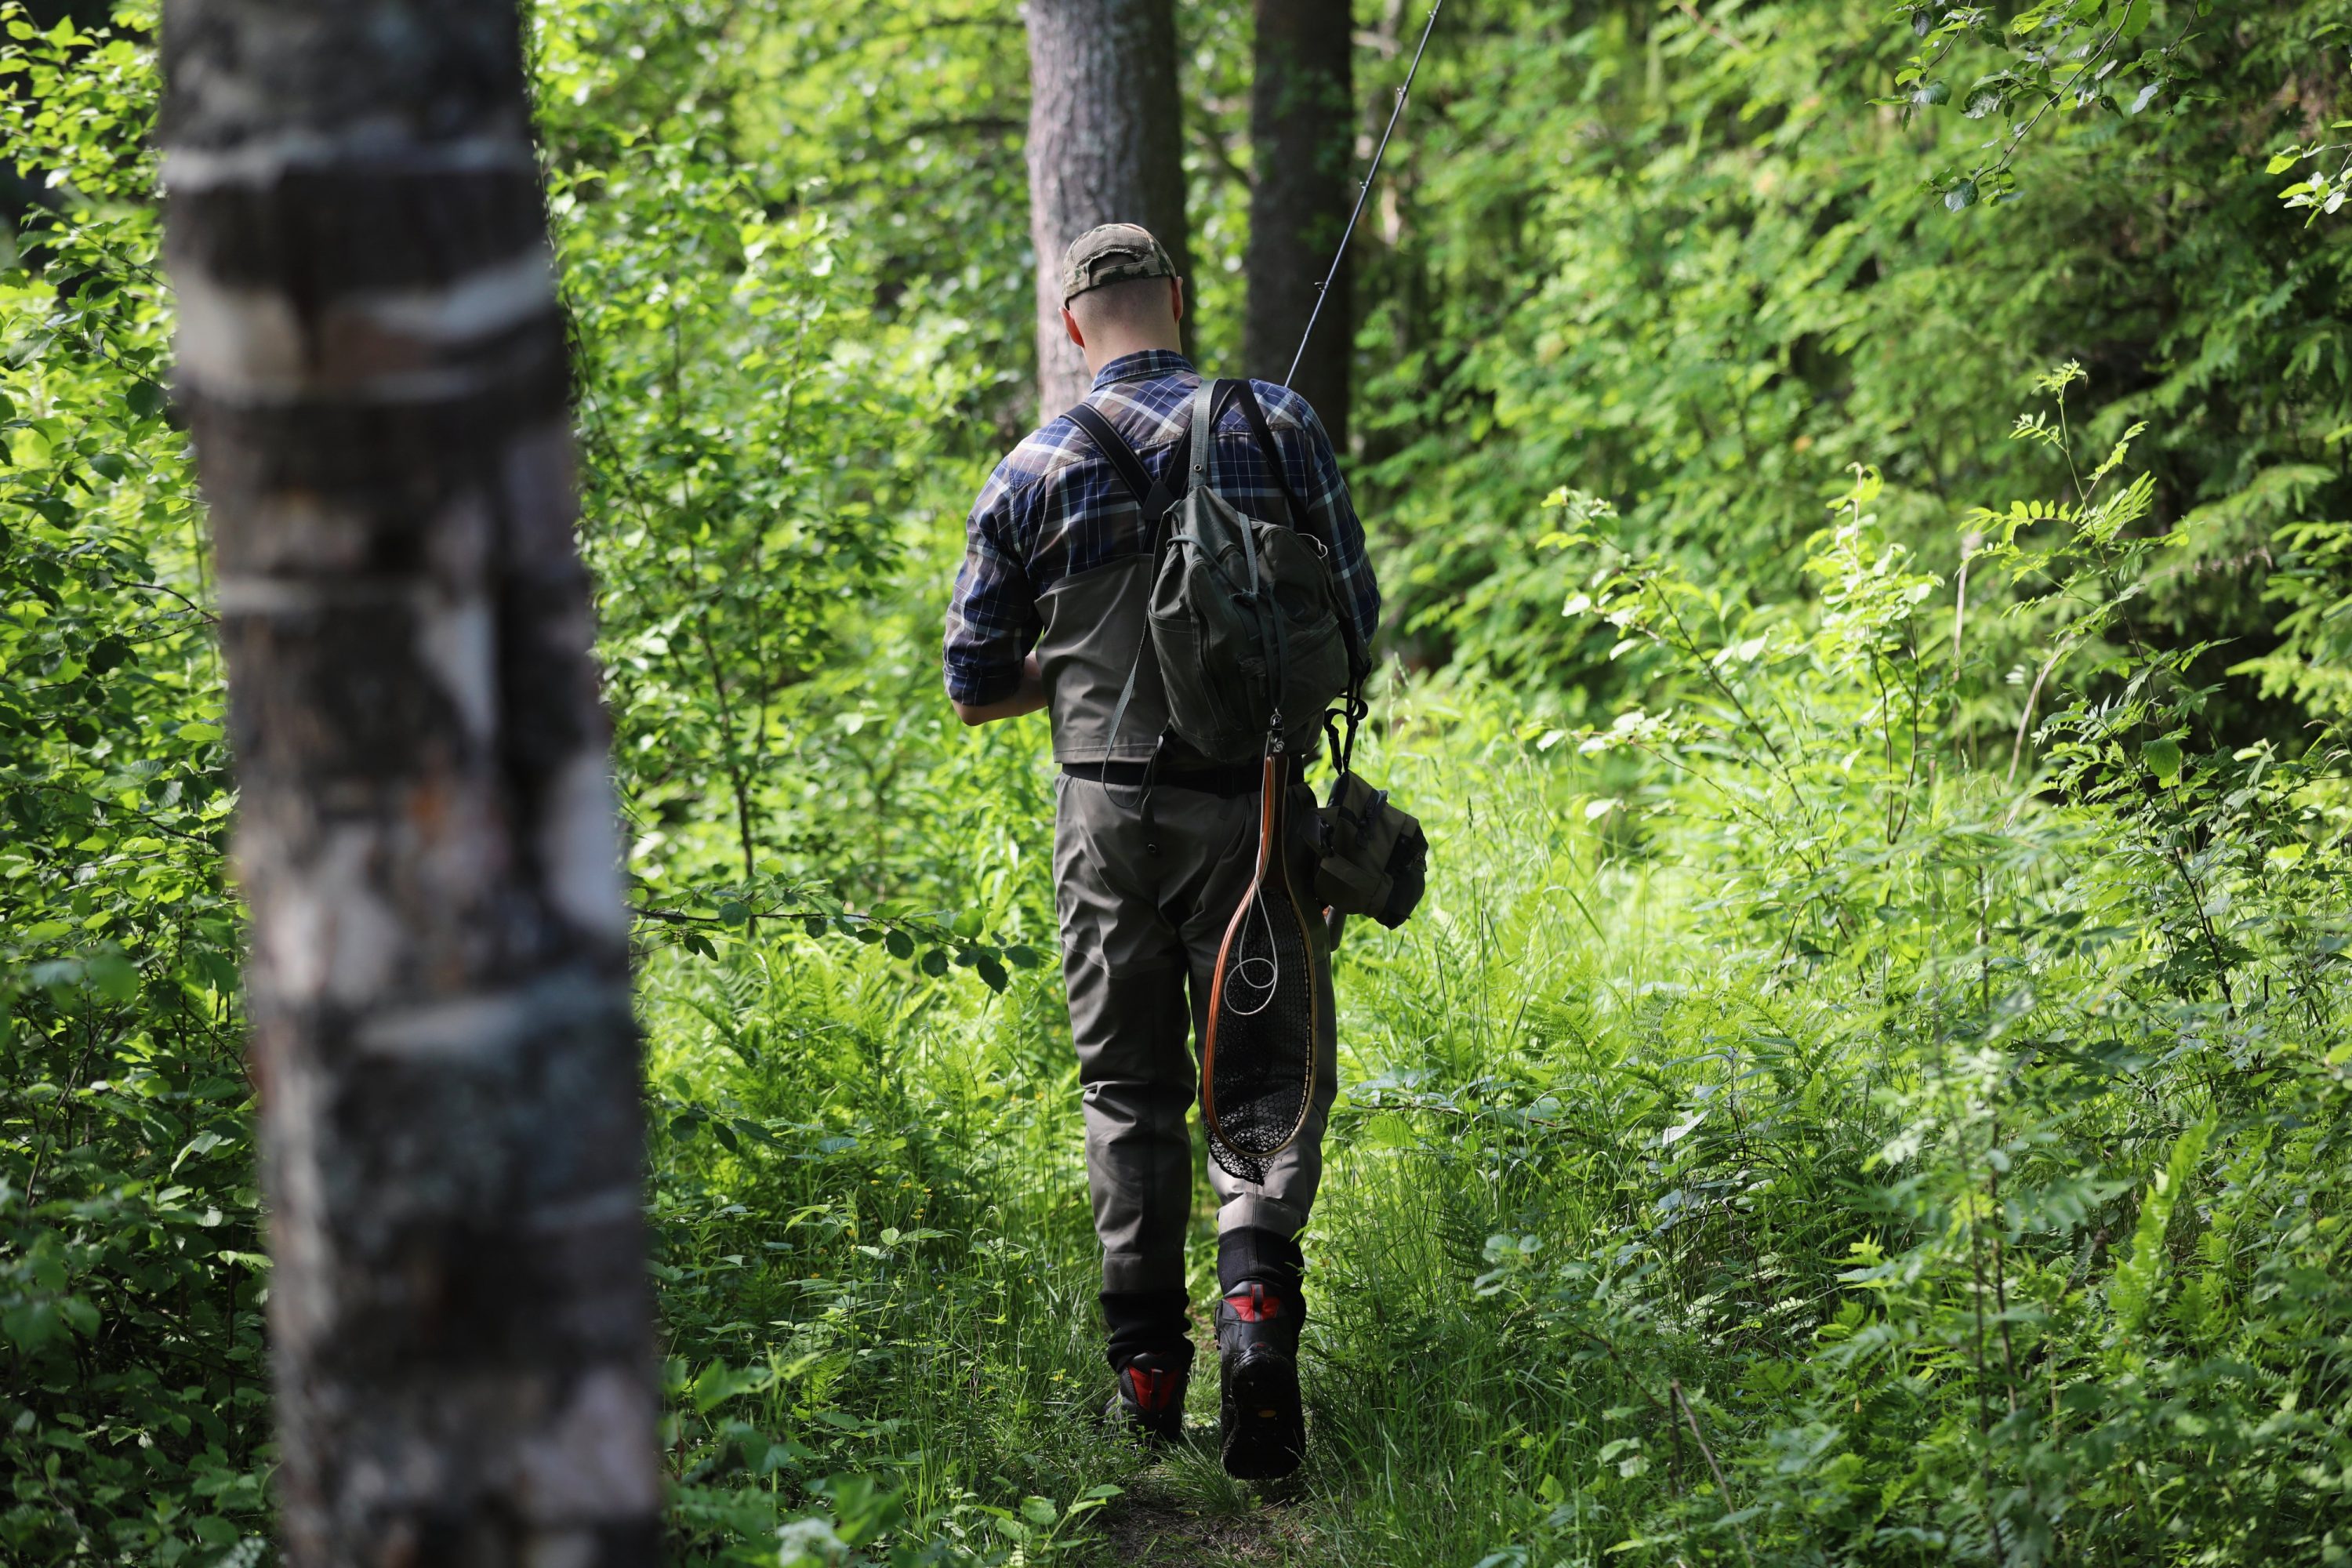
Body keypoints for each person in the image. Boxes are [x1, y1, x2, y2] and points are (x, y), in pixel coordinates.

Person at [942, 223, 1380, 1479]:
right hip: (1250, 815)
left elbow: (972, 685)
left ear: (1075, 325)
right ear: (1175, 303)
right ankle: (1255, 1322)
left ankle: (1145, 1374)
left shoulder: (1028, 470)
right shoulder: (1280, 425)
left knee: (1128, 1088)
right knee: (1264, 1071)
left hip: (1103, 823)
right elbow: (1356, 627)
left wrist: (1077, 666)